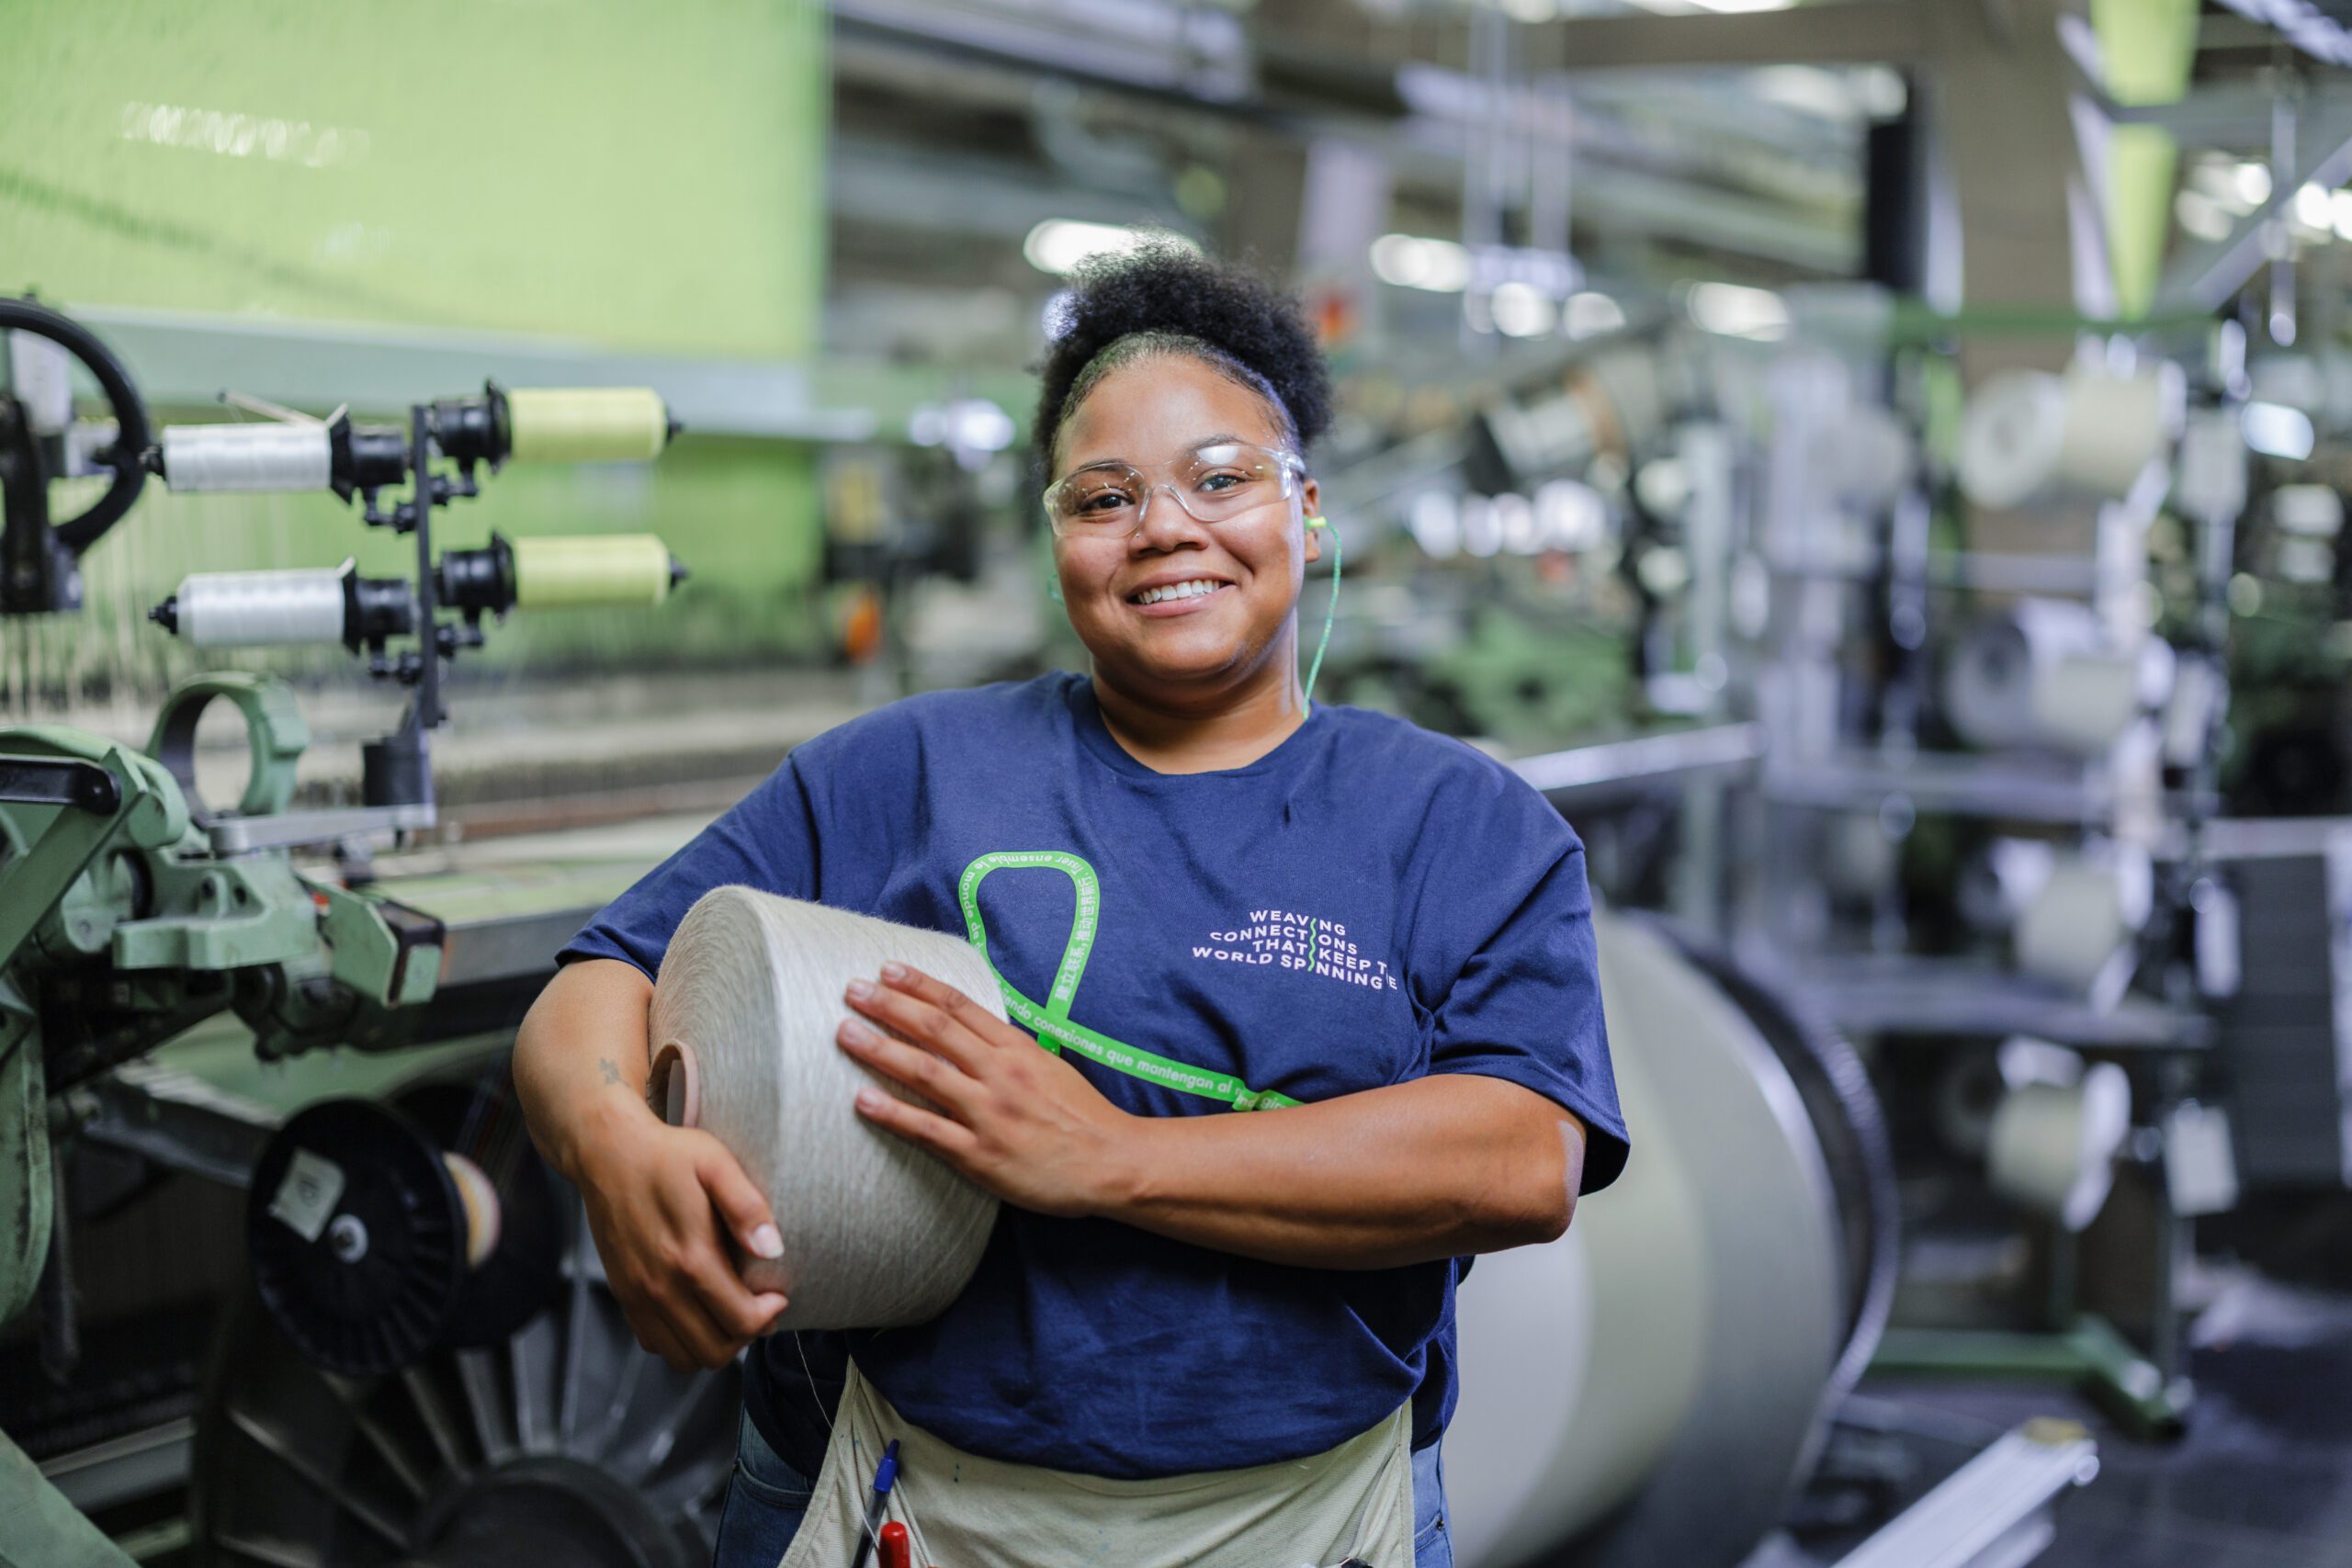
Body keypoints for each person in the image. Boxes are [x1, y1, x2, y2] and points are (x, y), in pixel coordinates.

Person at [514, 242, 1628, 1568]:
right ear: (1055, 541)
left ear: (1308, 511)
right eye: (1105, 498)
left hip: (1306, 1524)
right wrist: (610, 1140)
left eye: (1220, 479)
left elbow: (1519, 1161)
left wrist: (1106, 1159)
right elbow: (597, 985)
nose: (1165, 527)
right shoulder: (911, 771)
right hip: (914, 1499)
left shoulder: (1460, 824)